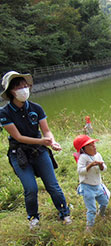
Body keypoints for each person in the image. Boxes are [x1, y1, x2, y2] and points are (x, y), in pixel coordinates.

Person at [0, 71, 71, 230]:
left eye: (26, 86)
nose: (24, 90)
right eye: (19, 87)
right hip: (19, 154)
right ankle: (33, 218)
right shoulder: (4, 113)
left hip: (39, 151)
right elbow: (18, 137)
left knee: (52, 185)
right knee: (30, 188)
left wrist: (52, 141)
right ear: (11, 91)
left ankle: (64, 213)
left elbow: (46, 130)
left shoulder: (36, 108)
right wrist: (42, 141)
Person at [73, 135, 109, 231]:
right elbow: (80, 171)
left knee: (105, 201)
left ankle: (101, 214)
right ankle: (89, 226)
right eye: (90, 145)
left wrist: (101, 166)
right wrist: (90, 165)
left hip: (98, 185)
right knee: (91, 208)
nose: (94, 146)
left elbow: (104, 169)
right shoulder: (83, 158)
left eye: (94, 144)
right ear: (83, 149)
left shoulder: (98, 155)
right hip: (87, 187)